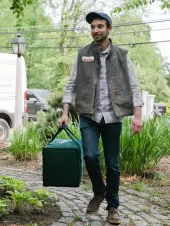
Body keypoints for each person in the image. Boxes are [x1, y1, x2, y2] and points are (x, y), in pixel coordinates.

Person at [58, 12, 144, 225]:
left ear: (109, 28)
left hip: (113, 116)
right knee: (90, 155)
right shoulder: (82, 54)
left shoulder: (122, 55)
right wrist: (65, 112)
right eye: (93, 27)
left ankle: (113, 208)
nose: (95, 30)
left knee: (113, 164)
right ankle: (99, 191)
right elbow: (71, 83)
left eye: (100, 26)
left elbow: (134, 85)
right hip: (89, 114)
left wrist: (138, 115)